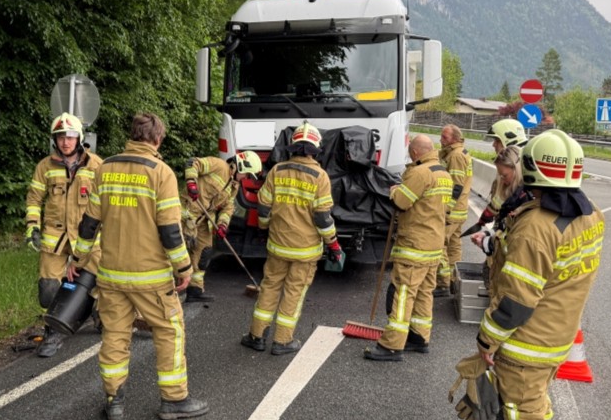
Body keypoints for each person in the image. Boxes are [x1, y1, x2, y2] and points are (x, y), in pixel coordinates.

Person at [470, 129, 605, 420]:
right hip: (558, 334)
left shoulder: (536, 227)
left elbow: (516, 302)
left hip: (527, 341)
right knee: (535, 398)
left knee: (521, 408)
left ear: (530, 169)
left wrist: (486, 340)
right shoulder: (591, 215)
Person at [70, 112, 207, 420]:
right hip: (151, 277)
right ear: (157, 139)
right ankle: (174, 399)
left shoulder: (105, 168)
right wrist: (184, 268)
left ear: (132, 135)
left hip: (111, 275)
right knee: (169, 331)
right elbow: (170, 230)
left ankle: (113, 400)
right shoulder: (162, 173)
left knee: (115, 336)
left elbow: (89, 223)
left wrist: (78, 260)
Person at [240, 122, 342, 355]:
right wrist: (333, 244)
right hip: (305, 250)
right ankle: (282, 340)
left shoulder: (277, 171)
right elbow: (323, 218)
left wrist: (264, 228)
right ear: (315, 149)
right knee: (293, 293)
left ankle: (256, 336)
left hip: (277, 245)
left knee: (269, 288)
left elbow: (263, 207)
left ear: (293, 146)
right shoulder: (320, 176)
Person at [363, 134, 452, 360]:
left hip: (415, 245)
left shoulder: (420, 173)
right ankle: (419, 337)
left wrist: (394, 189)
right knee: (424, 293)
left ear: (415, 152)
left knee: (403, 294)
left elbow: (401, 202)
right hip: (434, 245)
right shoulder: (443, 174)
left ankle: (392, 345)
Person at [25, 112, 103, 358]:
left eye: (70, 137)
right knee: (48, 288)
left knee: (101, 283)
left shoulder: (97, 165)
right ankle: (53, 331)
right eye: (60, 137)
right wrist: (32, 226)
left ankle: (98, 312)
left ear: (79, 138)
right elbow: (34, 199)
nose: (65, 142)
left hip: (89, 238)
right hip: (55, 238)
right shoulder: (45, 167)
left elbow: (107, 202)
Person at [182, 150, 262, 302]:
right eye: (247, 174)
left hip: (204, 221)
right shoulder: (218, 165)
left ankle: (195, 290)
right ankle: (168, 290)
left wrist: (223, 225)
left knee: (204, 253)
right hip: (187, 215)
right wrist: (191, 183)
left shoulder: (234, 186)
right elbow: (193, 163)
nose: (246, 178)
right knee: (178, 252)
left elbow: (228, 208)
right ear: (241, 166)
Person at [470, 146, 531, 298]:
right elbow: (503, 225)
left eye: (504, 176)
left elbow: (514, 238)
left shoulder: (525, 199)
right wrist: (488, 234)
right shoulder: (512, 193)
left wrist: (487, 242)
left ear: (517, 170)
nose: (502, 180)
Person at [434, 124, 473, 298]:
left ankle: (442, 283)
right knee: (454, 247)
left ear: (455, 139)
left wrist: (446, 208)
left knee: (440, 244)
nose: (441, 140)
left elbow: (456, 186)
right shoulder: (459, 152)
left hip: (452, 211)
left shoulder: (455, 156)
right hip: (460, 210)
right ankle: (453, 281)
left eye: (445, 137)